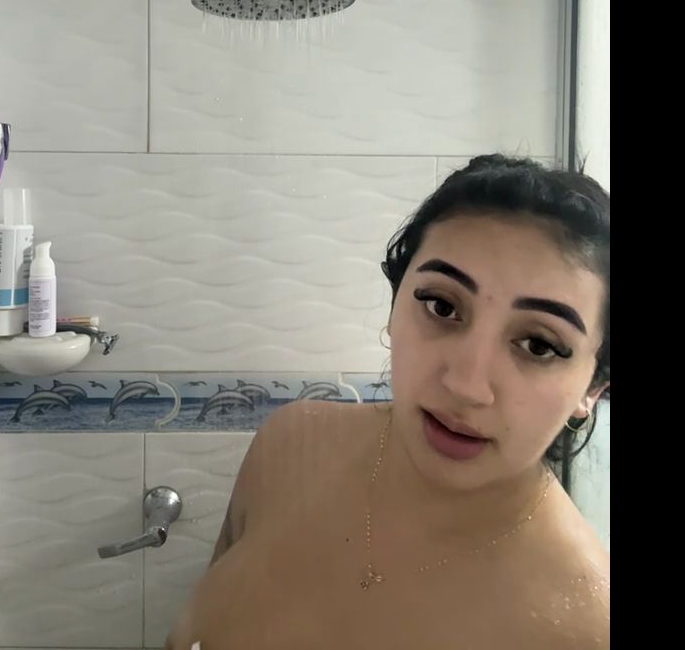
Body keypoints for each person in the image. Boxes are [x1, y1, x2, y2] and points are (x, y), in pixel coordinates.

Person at [166, 154, 610, 649]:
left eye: (539, 345)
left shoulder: (585, 625)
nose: (465, 385)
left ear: (592, 389)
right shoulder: (290, 444)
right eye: (442, 306)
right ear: (396, 304)